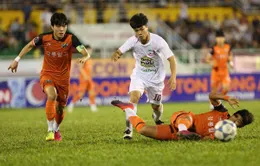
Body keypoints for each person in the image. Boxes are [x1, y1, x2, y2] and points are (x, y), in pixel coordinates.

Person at [8, 12, 90, 141]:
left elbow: (85, 53)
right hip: (47, 74)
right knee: (52, 95)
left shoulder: (71, 39)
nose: (62, 29)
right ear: (52, 27)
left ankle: (56, 129)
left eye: (64, 26)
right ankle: (50, 130)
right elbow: (29, 45)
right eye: (58, 26)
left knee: (60, 108)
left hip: (63, 79)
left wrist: (84, 57)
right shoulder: (44, 38)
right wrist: (16, 60)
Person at [111, 13, 177, 139]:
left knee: (156, 106)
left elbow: (172, 59)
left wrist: (173, 77)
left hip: (156, 79)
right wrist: (117, 54)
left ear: (147, 27)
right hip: (139, 75)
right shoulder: (133, 40)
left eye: (142, 29)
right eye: (137, 30)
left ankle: (157, 119)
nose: (139, 33)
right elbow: (120, 50)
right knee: (134, 97)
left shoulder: (158, 41)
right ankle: (128, 129)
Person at [111, 92, 254, 141]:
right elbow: (211, 96)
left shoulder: (222, 135)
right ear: (234, 114)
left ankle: (129, 110)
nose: (234, 122)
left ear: (239, 128)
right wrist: (226, 97)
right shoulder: (222, 112)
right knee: (188, 120)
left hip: (176, 134)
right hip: (183, 118)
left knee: (142, 130)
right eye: (236, 118)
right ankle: (183, 130)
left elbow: (202, 139)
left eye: (238, 124)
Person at [205, 30, 233, 104]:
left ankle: (219, 99)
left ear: (224, 38)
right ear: (216, 39)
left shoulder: (228, 47)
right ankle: (213, 103)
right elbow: (207, 59)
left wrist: (231, 62)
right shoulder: (213, 48)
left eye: (221, 38)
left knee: (226, 88)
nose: (220, 39)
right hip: (216, 71)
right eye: (218, 38)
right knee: (214, 91)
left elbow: (230, 55)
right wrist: (211, 62)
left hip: (224, 70)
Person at [68, 45, 97, 112]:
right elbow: (80, 68)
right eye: (88, 50)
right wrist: (85, 76)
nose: (90, 51)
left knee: (92, 92)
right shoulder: (84, 58)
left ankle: (93, 106)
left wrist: (90, 75)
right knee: (81, 94)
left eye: (90, 50)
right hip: (84, 79)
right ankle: (71, 104)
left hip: (89, 78)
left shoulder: (90, 59)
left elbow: (89, 69)